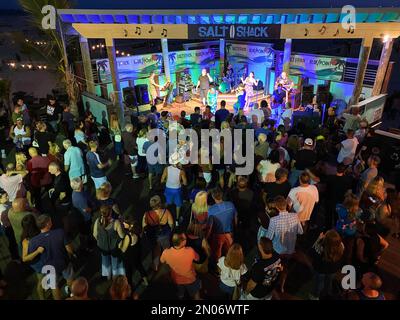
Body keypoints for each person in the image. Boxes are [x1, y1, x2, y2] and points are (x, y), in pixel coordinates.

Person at [28, 214, 74, 300]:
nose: (51, 222)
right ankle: (73, 295)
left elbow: (31, 257)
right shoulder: (60, 232)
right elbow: (70, 250)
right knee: (69, 278)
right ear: (47, 224)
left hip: (48, 266)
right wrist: (71, 253)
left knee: (54, 286)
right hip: (63, 261)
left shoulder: (33, 241)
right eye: (50, 221)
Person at [160, 233, 201, 300]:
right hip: (190, 279)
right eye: (185, 239)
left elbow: (162, 261)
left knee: (180, 292)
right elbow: (198, 258)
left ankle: (181, 295)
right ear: (182, 242)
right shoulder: (190, 251)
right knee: (196, 294)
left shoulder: (166, 252)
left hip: (176, 279)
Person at [309, 230, 344, 299]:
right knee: (329, 281)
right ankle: (327, 293)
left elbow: (311, 252)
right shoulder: (341, 246)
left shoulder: (320, 246)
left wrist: (318, 239)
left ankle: (316, 296)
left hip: (320, 269)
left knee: (319, 284)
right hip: (333, 269)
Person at [93, 205, 125, 280]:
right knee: (115, 262)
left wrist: (101, 240)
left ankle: (108, 276)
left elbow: (95, 234)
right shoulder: (116, 223)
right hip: (114, 247)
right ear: (110, 213)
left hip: (102, 247)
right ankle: (114, 277)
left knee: (105, 261)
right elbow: (122, 236)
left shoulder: (98, 221)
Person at [142, 195, 174, 272]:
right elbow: (171, 224)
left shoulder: (147, 214)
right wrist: (170, 232)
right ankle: (169, 263)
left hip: (153, 235)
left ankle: (155, 266)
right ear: (160, 203)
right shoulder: (166, 212)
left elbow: (144, 227)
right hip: (164, 234)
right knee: (166, 249)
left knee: (156, 251)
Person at [207, 188, 238, 262]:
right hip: (229, 234)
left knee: (217, 255)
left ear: (213, 197)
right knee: (228, 252)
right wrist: (235, 229)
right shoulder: (231, 205)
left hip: (217, 236)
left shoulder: (210, 210)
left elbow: (209, 225)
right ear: (222, 195)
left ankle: (218, 269)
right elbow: (236, 217)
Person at [120, 216, 148, 288]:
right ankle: (146, 281)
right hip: (137, 252)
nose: (123, 223)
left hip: (129, 257)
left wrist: (119, 245)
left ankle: (130, 287)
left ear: (130, 225)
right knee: (139, 266)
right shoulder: (137, 230)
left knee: (128, 272)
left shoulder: (128, 236)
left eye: (125, 222)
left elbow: (123, 250)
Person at [161, 155, 187, 225]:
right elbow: (185, 183)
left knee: (167, 202)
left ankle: (162, 216)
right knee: (178, 205)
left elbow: (162, 180)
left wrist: (168, 180)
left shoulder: (166, 168)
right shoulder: (181, 171)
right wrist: (180, 182)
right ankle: (177, 220)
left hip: (168, 189)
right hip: (177, 190)